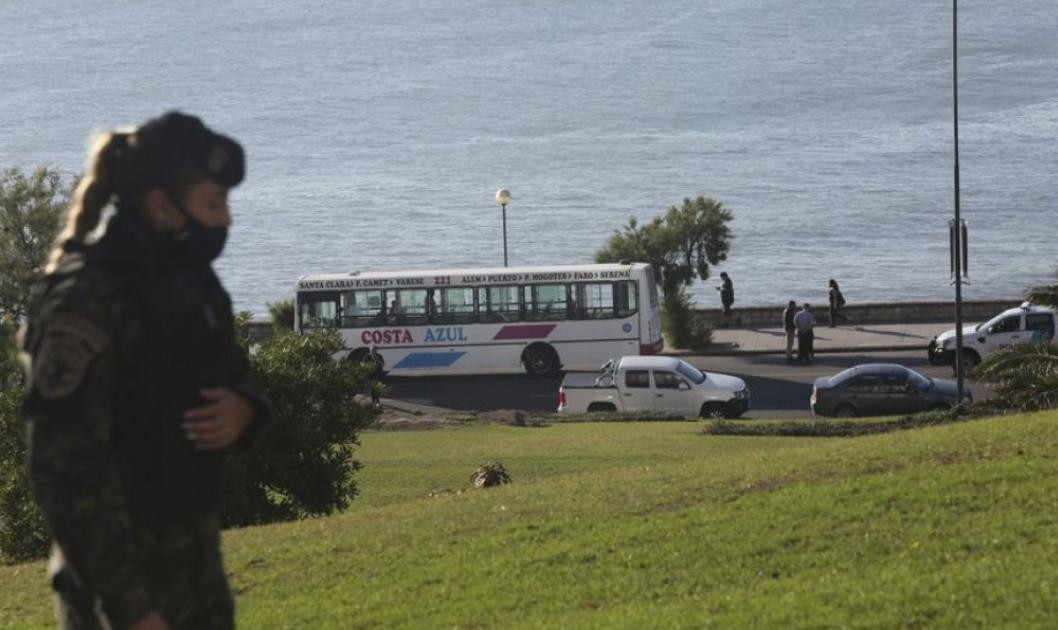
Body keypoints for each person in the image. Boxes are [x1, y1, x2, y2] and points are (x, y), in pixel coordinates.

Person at [19, 112, 271, 630]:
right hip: (114, 594)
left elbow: (230, 368)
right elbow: (65, 472)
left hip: (193, 573)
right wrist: (131, 610)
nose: (225, 221)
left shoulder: (192, 282)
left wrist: (245, 407)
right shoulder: (85, 299)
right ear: (162, 205)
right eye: (214, 204)